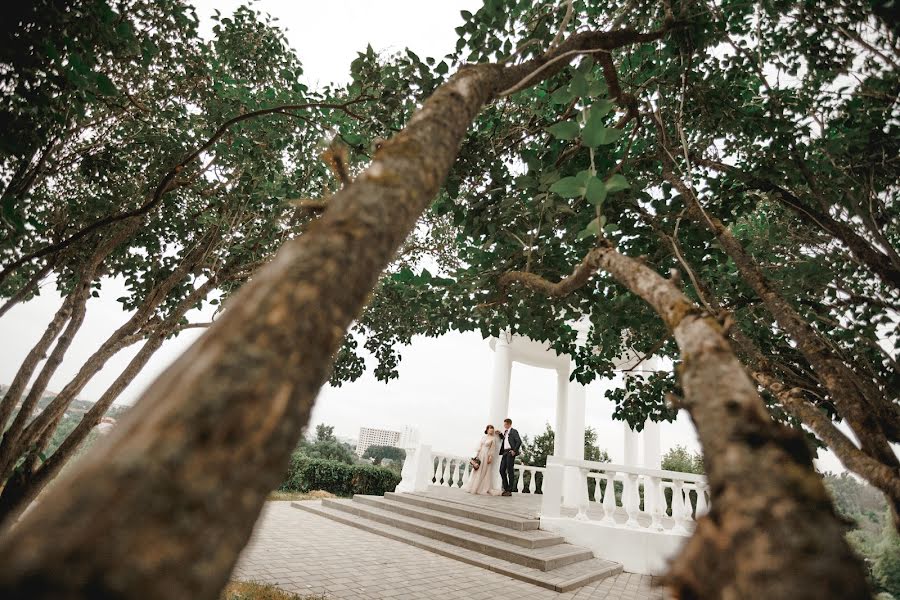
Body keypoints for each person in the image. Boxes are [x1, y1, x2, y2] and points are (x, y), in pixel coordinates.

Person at [461, 425, 503, 496]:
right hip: (480, 455)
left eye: (492, 429)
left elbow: (492, 449)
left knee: (483, 471)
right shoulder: (484, 437)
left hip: (486, 455)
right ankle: (473, 487)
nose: (491, 430)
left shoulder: (493, 438)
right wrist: (476, 455)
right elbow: (480, 446)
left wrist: (490, 457)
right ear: (487, 430)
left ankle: (481, 488)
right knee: (477, 470)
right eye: (490, 429)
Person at [497, 418, 522, 496]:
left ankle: (509, 490)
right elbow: (505, 439)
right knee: (501, 470)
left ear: (509, 424)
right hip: (504, 452)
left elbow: (519, 441)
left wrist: (514, 450)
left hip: (510, 452)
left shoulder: (514, 431)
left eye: (505, 424)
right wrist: (500, 434)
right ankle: (506, 488)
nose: (504, 425)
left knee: (510, 471)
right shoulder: (505, 432)